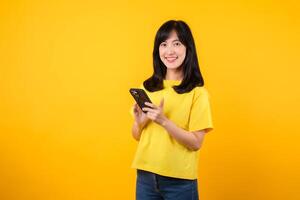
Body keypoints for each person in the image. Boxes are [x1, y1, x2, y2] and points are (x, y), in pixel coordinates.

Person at [130, 20, 214, 200]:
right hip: (145, 177)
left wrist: (164, 121)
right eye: (164, 44)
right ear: (157, 50)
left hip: (179, 182)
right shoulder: (147, 87)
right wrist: (140, 122)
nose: (169, 51)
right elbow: (137, 135)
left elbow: (196, 143)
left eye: (177, 44)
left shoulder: (198, 93)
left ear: (188, 49)